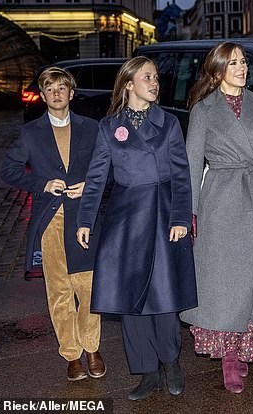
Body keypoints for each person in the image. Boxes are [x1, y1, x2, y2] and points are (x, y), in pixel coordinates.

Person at [76, 56, 197, 401]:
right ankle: (146, 370)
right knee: (130, 299)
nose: (155, 83)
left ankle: (170, 362)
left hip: (161, 215)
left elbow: (181, 176)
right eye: (147, 77)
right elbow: (97, 177)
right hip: (125, 220)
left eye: (156, 77)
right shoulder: (108, 127)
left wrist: (179, 218)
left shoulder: (169, 123)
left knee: (164, 294)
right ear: (129, 84)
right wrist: (85, 221)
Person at [179, 42, 253, 394]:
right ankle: (229, 356)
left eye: (244, 62)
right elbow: (192, 163)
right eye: (234, 63)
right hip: (220, 203)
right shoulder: (204, 110)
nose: (242, 68)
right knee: (223, 280)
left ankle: (240, 343)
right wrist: (190, 210)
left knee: (251, 277)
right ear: (217, 70)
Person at [0, 67, 105, 382]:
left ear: (71, 94)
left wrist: (91, 185)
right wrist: (42, 184)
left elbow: (108, 168)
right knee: (59, 290)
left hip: (85, 218)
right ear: (43, 96)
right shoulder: (31, 133)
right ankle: (71, 354)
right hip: (51, 220)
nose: (56, 93)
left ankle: (91, 347)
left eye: (62, 88)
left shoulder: (92, 128)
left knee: (88, 288)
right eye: (50, 89)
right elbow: (9, 170)